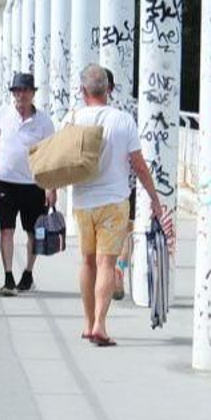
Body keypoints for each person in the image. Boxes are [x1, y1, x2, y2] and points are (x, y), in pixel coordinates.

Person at [67, 64, 168, 347]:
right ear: (109, 89)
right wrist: (155, 199)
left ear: (82, 90)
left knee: (86, 261)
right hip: (114, 201)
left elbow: (60, 159)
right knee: (106, 263)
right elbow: (138, 164)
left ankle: (87, 324)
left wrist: (50, 190)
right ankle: (100, 323)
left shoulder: (73, 118)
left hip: (82, 200)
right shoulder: (123, 121)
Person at [0, 73, 57, 296]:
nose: (20, 95)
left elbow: (50, 153)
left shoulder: (44, 121)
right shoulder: (3, 114)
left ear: (33, 93)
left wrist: (51, 186)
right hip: (6, 181)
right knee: (6, 229)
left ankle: (27, 272)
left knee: (33, 232)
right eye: (16, 91)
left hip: (33, 183)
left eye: (25, 90)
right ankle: (8, 277)